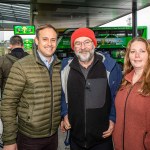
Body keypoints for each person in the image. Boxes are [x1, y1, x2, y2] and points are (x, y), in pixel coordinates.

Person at [1, 24, 62, 150]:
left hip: (53, 136)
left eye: (53, 40)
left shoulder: (59, 65)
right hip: (29, 138)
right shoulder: (22, 66)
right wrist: (9, 140)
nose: (49, 44)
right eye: (45, 39)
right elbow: (8, 104)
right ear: (36, 41)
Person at [61, 27, 122, 150]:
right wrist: (64, 113)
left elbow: (116, 96)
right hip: (76, 139)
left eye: (87, 42)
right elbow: (62, 95)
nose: (83, 47)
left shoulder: (110, 67)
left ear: (94, 44)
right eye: (78, 43)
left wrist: (112, 117)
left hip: (102, 139)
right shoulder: (65, 69)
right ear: (73, 47)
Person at [113, 37, 150, 150]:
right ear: (128, 56)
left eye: (142, 51)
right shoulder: (124, 81)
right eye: (133, 51)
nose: (137, 55)